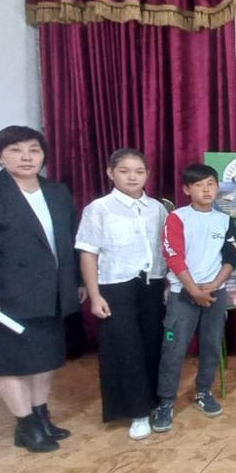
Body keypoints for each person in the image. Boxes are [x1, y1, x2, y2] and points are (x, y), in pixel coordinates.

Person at [0, 125, 82, 453]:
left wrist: (77, 282)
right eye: (15, 150)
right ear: (0, 156)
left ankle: (41, 416)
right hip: (4, 297)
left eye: (34, 150)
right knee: (10, 362)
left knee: (44, 359)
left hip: (49, 294)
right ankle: (25, 426)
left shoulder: (57, 192)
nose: (26, 157)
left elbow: (69, 242)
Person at [75, 147, 169, 440]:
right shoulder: (98, 209)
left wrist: (167, 283)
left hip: (152, 284)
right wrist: (95, 295)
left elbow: (165, 248)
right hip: (115, 286)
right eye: (124, 171)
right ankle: (137, 412)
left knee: (153, 345)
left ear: (147, 174)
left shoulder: (157, 208)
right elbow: (88, 253)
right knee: (125, 349)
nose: (132, 177)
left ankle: (155, 403)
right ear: (110, 173)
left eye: (139, 171)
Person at [152, 163, 236, 431]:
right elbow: (174, 257)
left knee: (212, 346)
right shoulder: (177, 218)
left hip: (214, 294)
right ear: (187, 189)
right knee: (174, 350)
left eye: (211, 184)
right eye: (199, 185)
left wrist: (213, 285)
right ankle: (166, 402)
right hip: (183, 295)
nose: (206, 190)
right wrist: (194, 290)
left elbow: (232, 257)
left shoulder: (225, 220)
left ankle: (203, 391)